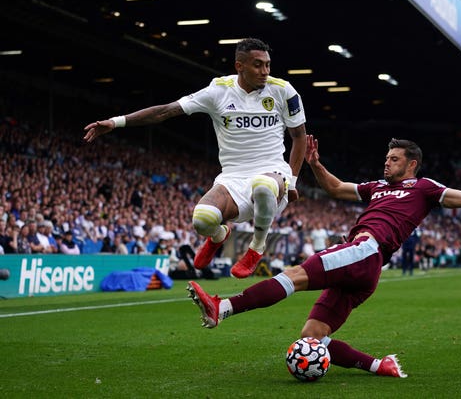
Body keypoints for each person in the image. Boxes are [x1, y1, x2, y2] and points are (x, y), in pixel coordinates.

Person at [187, 135, 461, 378]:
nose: (386, 164)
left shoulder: (424, 188)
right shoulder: (376, 188)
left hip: (365, 250)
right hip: (365, 268)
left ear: (412, 164)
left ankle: (224, 308)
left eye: (393, 160)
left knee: (295, 275)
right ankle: (380, 366)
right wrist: (314, 162)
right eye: (387, 158)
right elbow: (335, 187)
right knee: (313, 337)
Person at [83, 38, 306, 278]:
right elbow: (166, 111)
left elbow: (299, 137)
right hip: (233, 176)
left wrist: (292, 182)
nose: (265, 72)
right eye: (257, 65)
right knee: (202, 220)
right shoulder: (218, 91)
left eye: (267, 65)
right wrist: (116, 122)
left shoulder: (283, 90)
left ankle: (256, 247)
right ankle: (219, 235)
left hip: (272, 171)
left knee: (262, 186)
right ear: (239, 66)